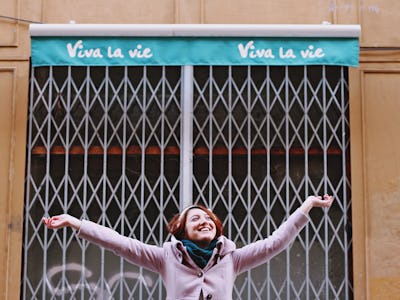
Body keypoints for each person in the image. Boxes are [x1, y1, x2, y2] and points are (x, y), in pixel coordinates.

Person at [43, 194, 334, 300]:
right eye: (195, 218)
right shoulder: (164, 258)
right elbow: (120, 243)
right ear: (181, 230)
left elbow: (275, 243)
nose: (204, 220)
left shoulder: (232, 259)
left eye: (208, 218)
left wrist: (307, 206)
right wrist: (74, 222)